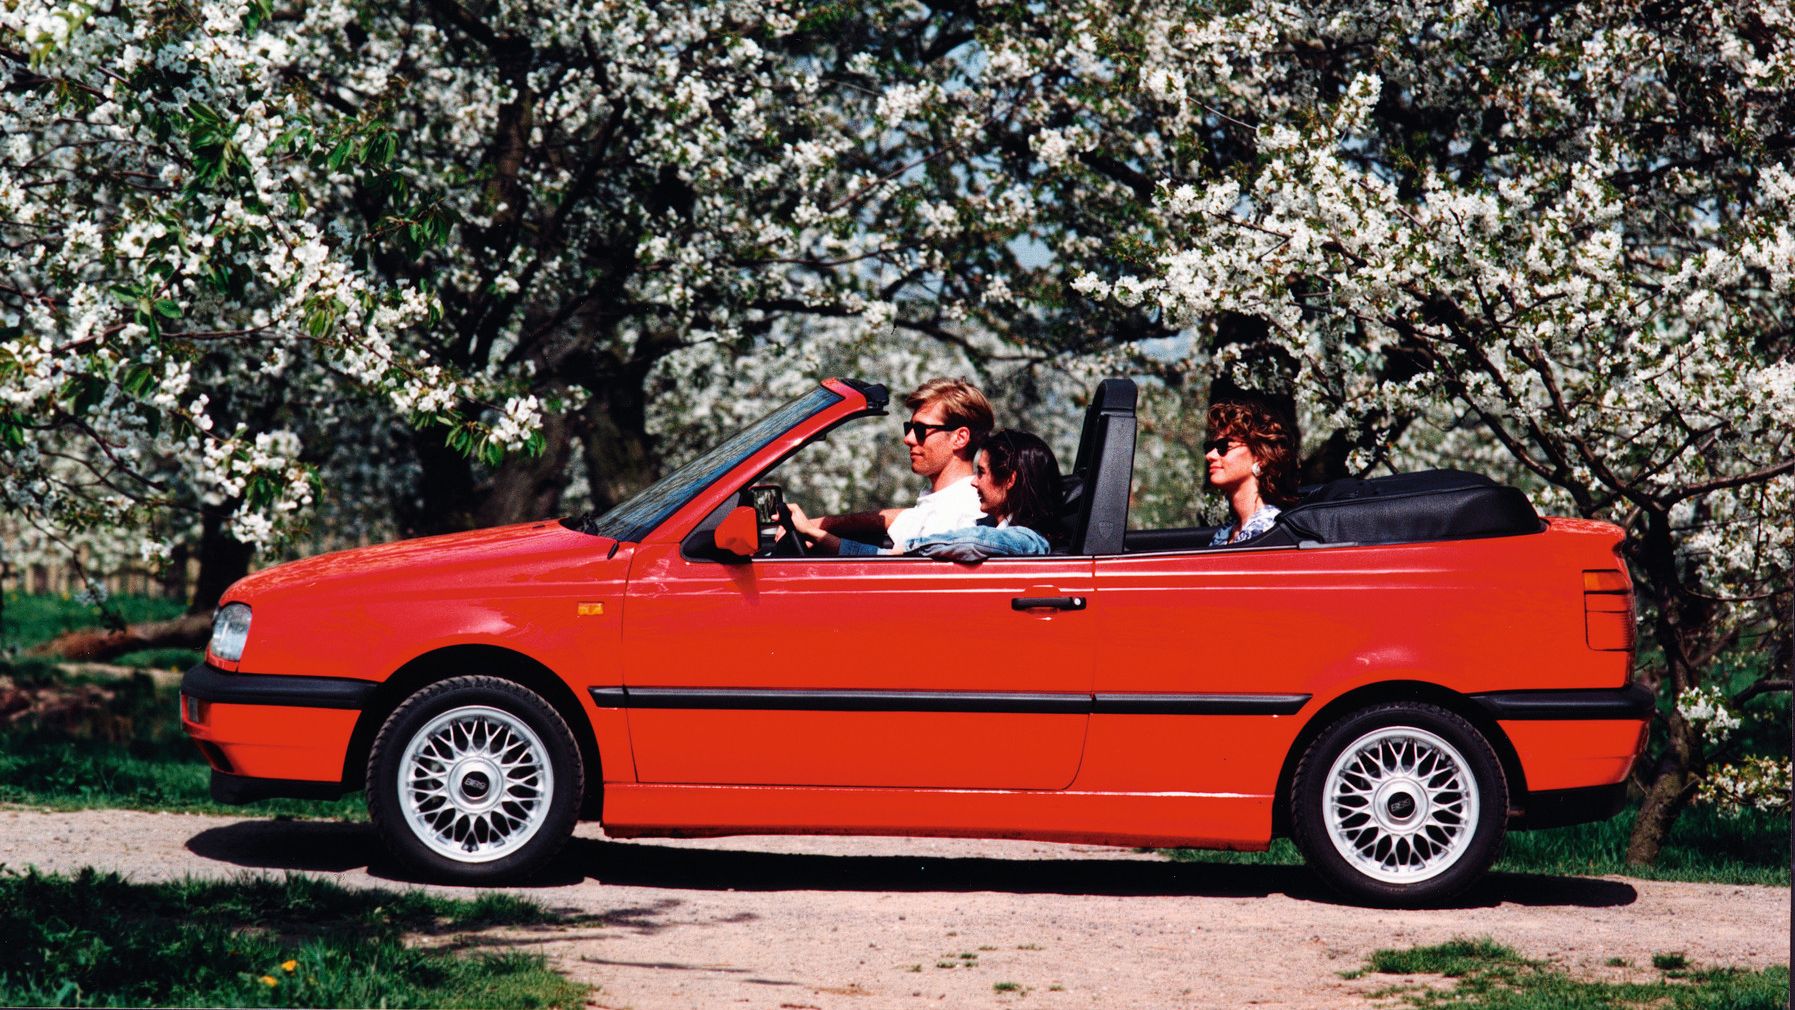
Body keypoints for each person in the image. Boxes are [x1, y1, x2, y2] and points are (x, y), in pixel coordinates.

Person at [789, 377, 993, 555]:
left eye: (921, 430)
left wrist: (815, 534)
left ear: (960, 438)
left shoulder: (958, 514)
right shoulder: (942, 502)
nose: (908, 439)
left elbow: (889, 561)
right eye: (909, 428)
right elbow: (896, 518)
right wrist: (818, 524)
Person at [904, 429, 1063, 561]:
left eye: (981, 472)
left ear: (1009, 480)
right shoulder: (992, 527)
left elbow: (973, 540)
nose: (974, 482)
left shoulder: (1029, 540)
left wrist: (909, 548)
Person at [1205, 395, 1300, 546]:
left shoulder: (1270, 531)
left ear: (1261, 457)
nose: (1210, 455)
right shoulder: (1225, 533)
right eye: (1210, 448)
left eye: (1223, 447)